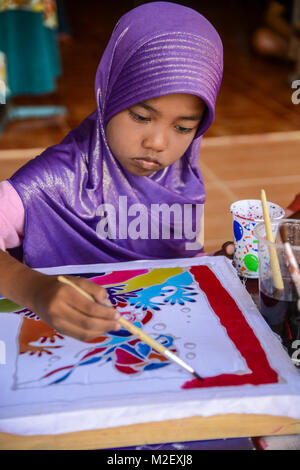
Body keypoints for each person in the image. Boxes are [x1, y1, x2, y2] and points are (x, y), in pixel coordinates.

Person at [0, 1, 224, 342]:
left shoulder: (180, 180)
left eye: (183, 128)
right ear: (109, 94)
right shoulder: (46, 184)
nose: (158, 142)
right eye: (140, 116)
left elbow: (168, 267)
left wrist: (214, 267)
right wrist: (34, 288)